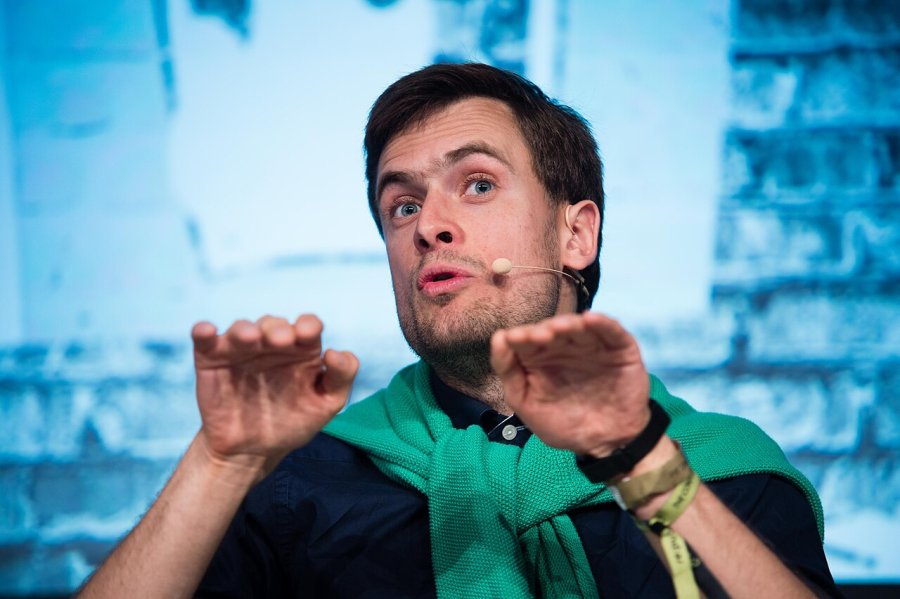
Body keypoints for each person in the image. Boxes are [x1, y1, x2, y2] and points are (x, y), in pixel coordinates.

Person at [78, 63, 838, 598]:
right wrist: (219, 463)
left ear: (576, 234)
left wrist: (645, 466)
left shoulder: (725, 470)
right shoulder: (297, 486)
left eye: (476, 184)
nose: (429, 227)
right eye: (402, 205)